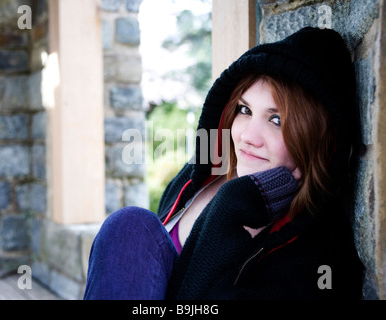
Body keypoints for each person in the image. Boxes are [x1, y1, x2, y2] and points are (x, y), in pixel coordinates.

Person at [84, 27, 363, 300]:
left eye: (276, 120)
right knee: (131, 226)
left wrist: (231, 209)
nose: (248, 137)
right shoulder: (200, 175)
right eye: (245, 110)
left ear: (316, 138)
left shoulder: (318, 255)